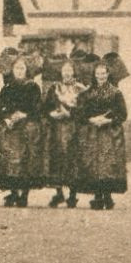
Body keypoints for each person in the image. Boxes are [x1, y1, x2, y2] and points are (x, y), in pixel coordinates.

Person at [74, 61, 129, 210]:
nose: (101, 76)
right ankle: (97, 196)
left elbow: (123, 114)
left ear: (108, 74)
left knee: (107, 164)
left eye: (103, 73)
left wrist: (107, 120)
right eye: (98, 73)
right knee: (94, 164)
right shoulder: (87, 93)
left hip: (109, 133)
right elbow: (80, 113)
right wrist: (91, 119)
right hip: (92, 133)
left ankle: (107, 195)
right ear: (94, 75)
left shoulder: (116, 92)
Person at [0, 55, 42, 206]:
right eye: (17, 68)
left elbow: (37, 108)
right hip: (11, 126)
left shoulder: (32, 87)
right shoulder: (7, 88)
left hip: (27, 126)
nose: (19, 71)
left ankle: (24, 194)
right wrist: (6, 118)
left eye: (22, 68)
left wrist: (24, 114)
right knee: (11, 158)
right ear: (12, 70)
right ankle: (13, 192)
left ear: (26, 70)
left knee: (26, 158)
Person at [41, 60, 85, 207]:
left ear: (73, 71)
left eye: (69, 70)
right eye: (64, 70)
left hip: (74, 129)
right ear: (61, 72)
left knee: (72, 159)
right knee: (57, 158)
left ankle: (73, 195)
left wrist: (71, 113)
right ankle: (59, 193)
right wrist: (51, 114)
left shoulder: (80, 89)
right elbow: (45, 107)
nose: (66, 73)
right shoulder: (55, 88)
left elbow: (85, 108)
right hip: (57, 129)